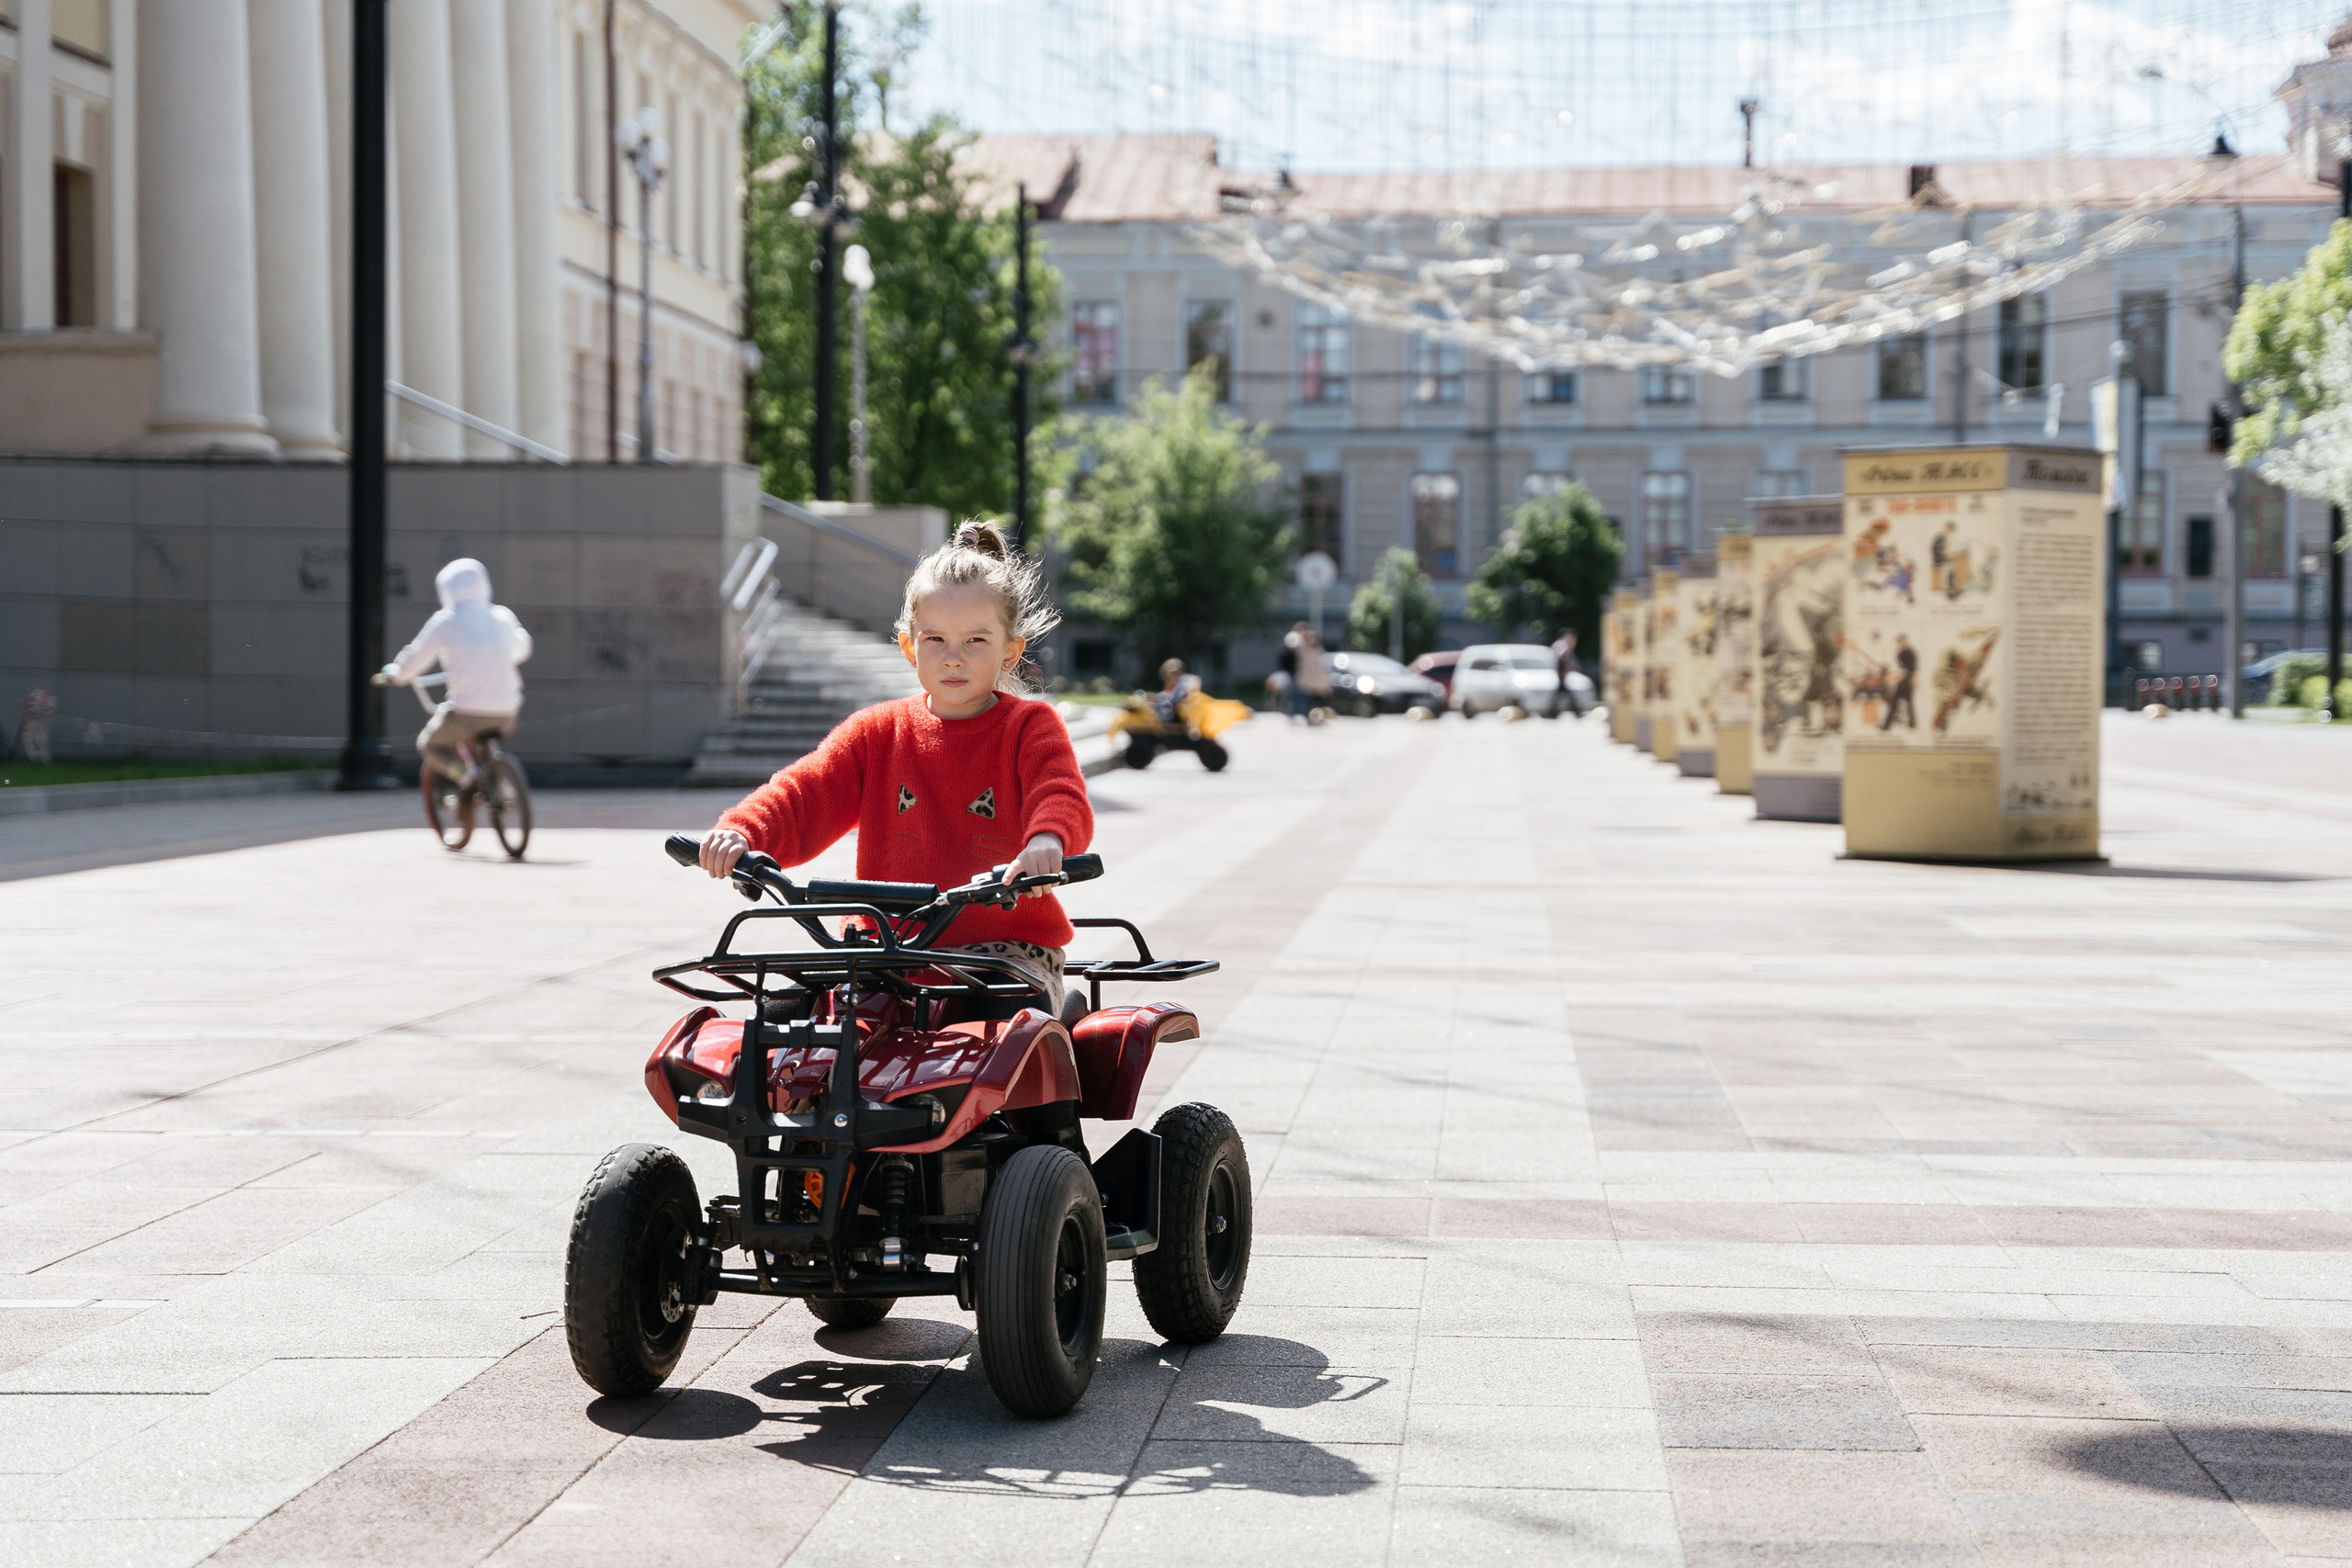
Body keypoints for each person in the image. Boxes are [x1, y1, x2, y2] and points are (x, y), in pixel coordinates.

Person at [696, 521, 1091, 1014]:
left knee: (991, 1044)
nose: (953, 658)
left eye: (975, 641)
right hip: (885, 953)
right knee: (785, 1034)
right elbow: (806, 789)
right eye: (935, 640)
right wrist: (744, 831)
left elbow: (1059, 791)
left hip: (1003, 957)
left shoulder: (1029, 725)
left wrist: (1047, 841)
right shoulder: (876, 732)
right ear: (909, 647)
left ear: (1011, 650)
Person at [382, 558, 533, 789]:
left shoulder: (446, 621)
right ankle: (501, 783)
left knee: (429, 745)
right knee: (484, 734)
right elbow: (522, 649)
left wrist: (396, 674)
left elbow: (415, 659)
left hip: (467, 713)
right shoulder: (502, 617)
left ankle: (465, 775)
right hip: (508, 712)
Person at [1882, 634, 1918, 730]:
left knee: (1909, 705)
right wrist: (1895, 676)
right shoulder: (1899, 654)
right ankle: (1886, 726)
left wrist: (1913, 681)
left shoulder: (1911, 653)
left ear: (1906, 641)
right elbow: (1900, 668)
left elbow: (1914, 670)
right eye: (1900, 642)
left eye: (1903, 641)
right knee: (1895, 704)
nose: (1901, 643)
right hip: (1901, 682)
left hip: (1908, 682)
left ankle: (1912, 725)